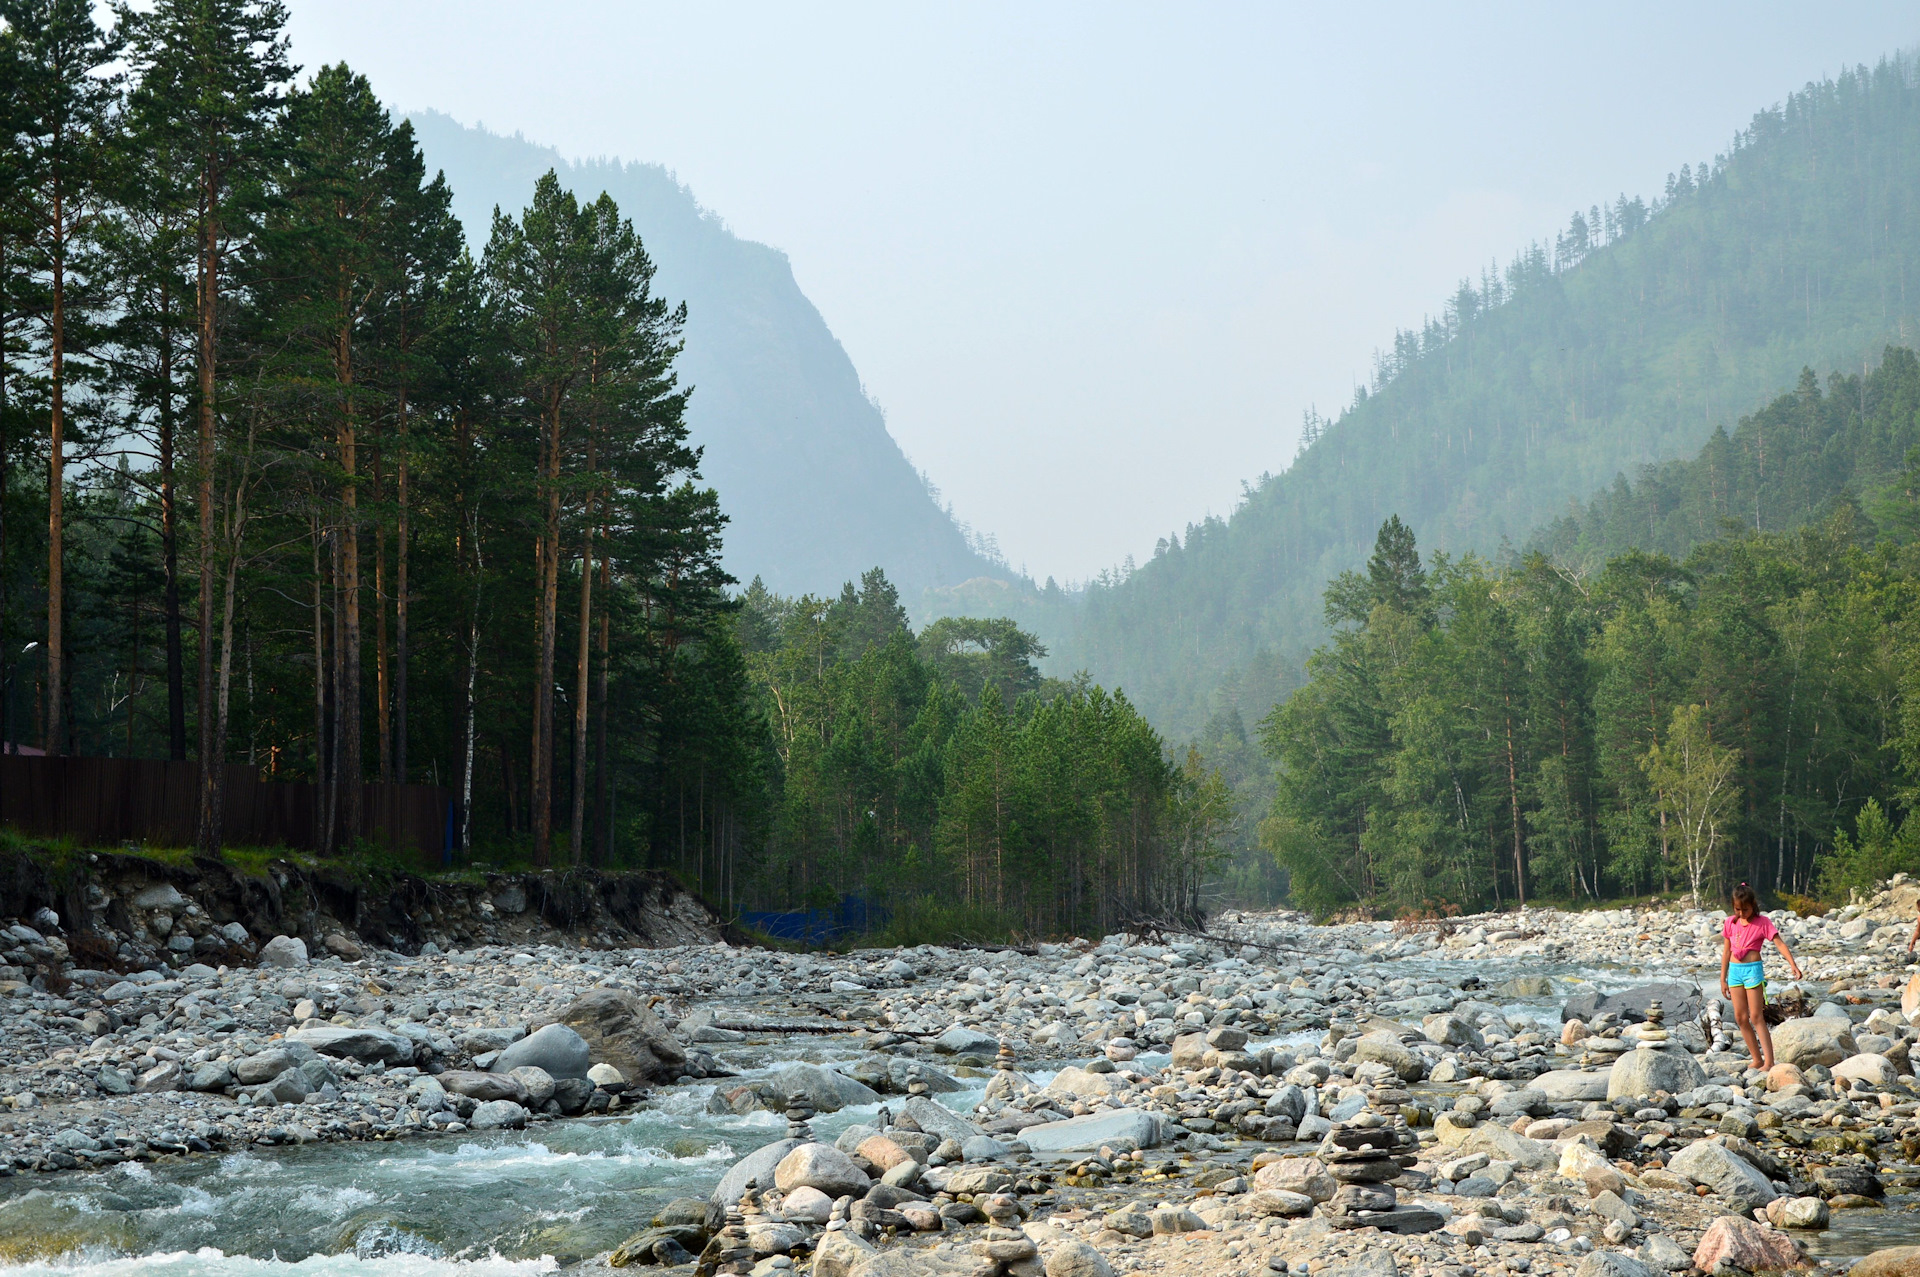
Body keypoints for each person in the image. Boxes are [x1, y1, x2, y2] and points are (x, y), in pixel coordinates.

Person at [1720, 882, 1802, 1072]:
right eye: (1737, 909)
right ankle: (1756, 1059)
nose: (1741, 914)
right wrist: (1722, 978)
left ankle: (1769, 1061)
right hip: (1734, 972)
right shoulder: (1730, 923)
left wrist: (1792, 964)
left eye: (1745, 909)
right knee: (1741, 1018)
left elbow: (1779, 943)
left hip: (1752, 971)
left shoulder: (1762, 923)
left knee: (1756, 1016)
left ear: (1753, 905)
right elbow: (1726, 952)